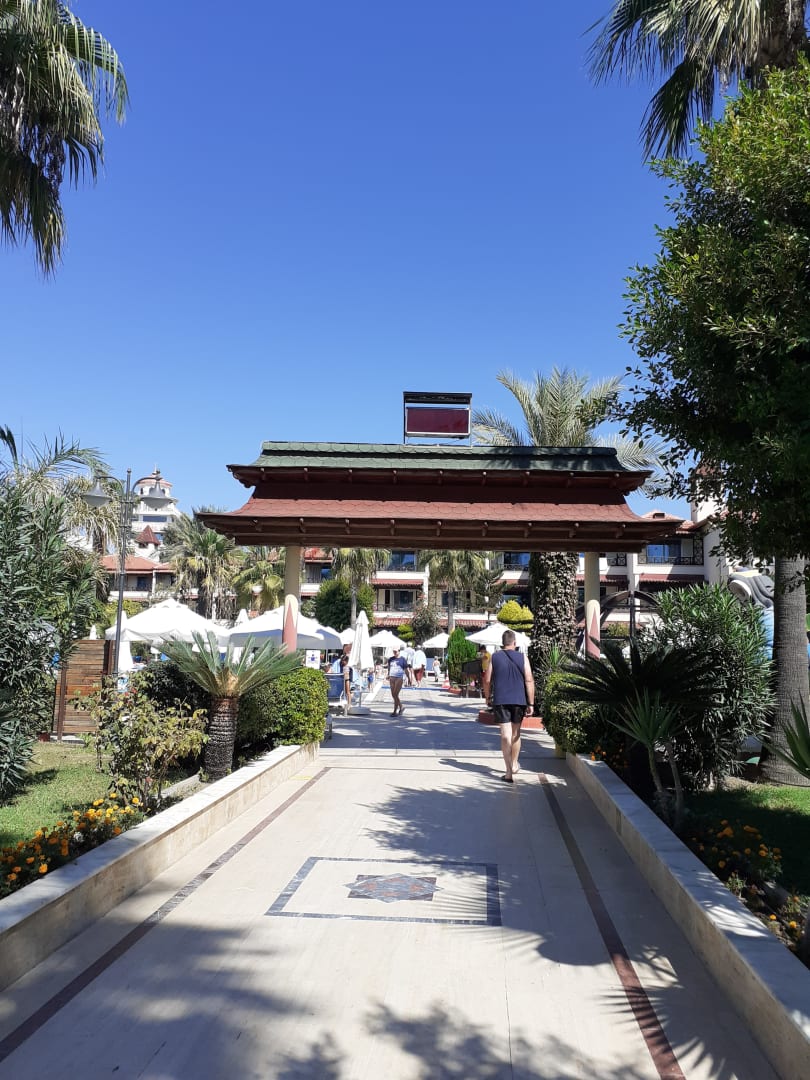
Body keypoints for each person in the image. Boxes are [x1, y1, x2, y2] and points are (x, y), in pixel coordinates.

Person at [482, 629, 535, 783]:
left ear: (502, 643)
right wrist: (531, 702)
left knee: (505, 735)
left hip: (501, 700)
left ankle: (508, 772)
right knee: (516, 733)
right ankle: (514, 763)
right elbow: (529, 679)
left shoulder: (495, 657)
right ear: (514, 643)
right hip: (519, 700)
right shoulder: (523, 657)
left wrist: (487, 697)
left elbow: (487, 679)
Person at [387, 647, 408, 715]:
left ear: (399, 651)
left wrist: (409, 679)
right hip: (392, 677)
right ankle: (401, 707)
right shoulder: (390, 659)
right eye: (394, 651)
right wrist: (388, 675)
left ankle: (395, 711)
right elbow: (389, 668)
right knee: (393, 694)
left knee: (395, 694)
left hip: (399, 678)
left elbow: (406, 670)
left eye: (396, 651)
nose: (395, 653)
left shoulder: (402, 659)